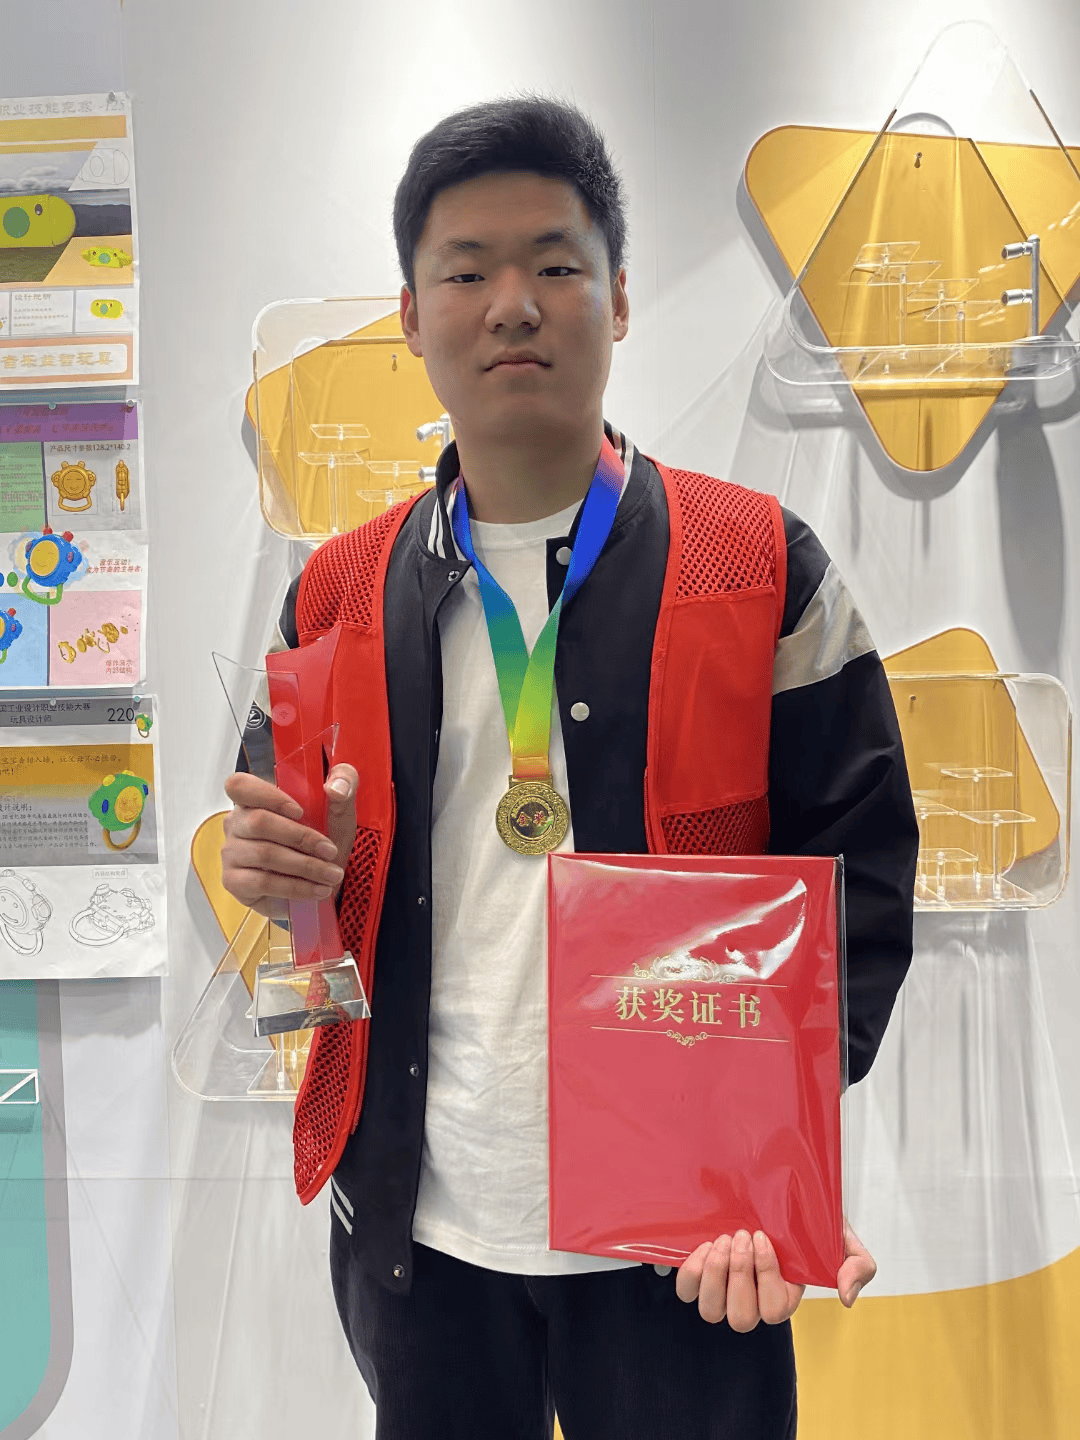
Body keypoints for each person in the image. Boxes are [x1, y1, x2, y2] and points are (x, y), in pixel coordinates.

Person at [221, 95, 918, 1440]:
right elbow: (295, 870)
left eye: (554, 263)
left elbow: (864, 881)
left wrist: (769, 1153)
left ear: (620, 297)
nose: (513, 305)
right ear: (410, 315)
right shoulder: (334, 594)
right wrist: (283, 872)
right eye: (464, 272)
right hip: (423, 1224)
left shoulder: (761, 565)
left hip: (687, 1236)